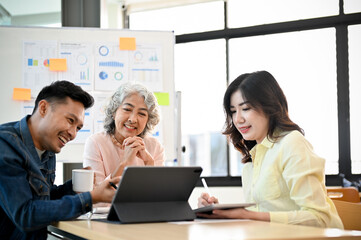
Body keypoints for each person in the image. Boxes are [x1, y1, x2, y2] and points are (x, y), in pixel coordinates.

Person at [197, 71, 343, 228]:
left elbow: (320, 219)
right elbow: (261, 214)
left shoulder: (292, 143)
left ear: (269, 107)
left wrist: (247, 215)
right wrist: (221, 212)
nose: (238, 119)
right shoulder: (251, 161)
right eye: (233, 111)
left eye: (245, 108)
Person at [0, 81, 120, 240]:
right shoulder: (5, 144)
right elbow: (25, 214)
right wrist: (91, 198)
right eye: (70, 120)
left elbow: (44, 198)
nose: (73, 133)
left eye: (78, 128)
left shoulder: (47, 147)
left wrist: (75, 186)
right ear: (43, 108)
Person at [83, 82, 165, 185]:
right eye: (127, 109)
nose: (133, 119)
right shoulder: (96, 143)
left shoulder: (154, 146)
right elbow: (97, 197)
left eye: (141, 113)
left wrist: (149, 163)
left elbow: (157, 196)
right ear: (114, 112)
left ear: (148, 120)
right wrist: (125, 163)